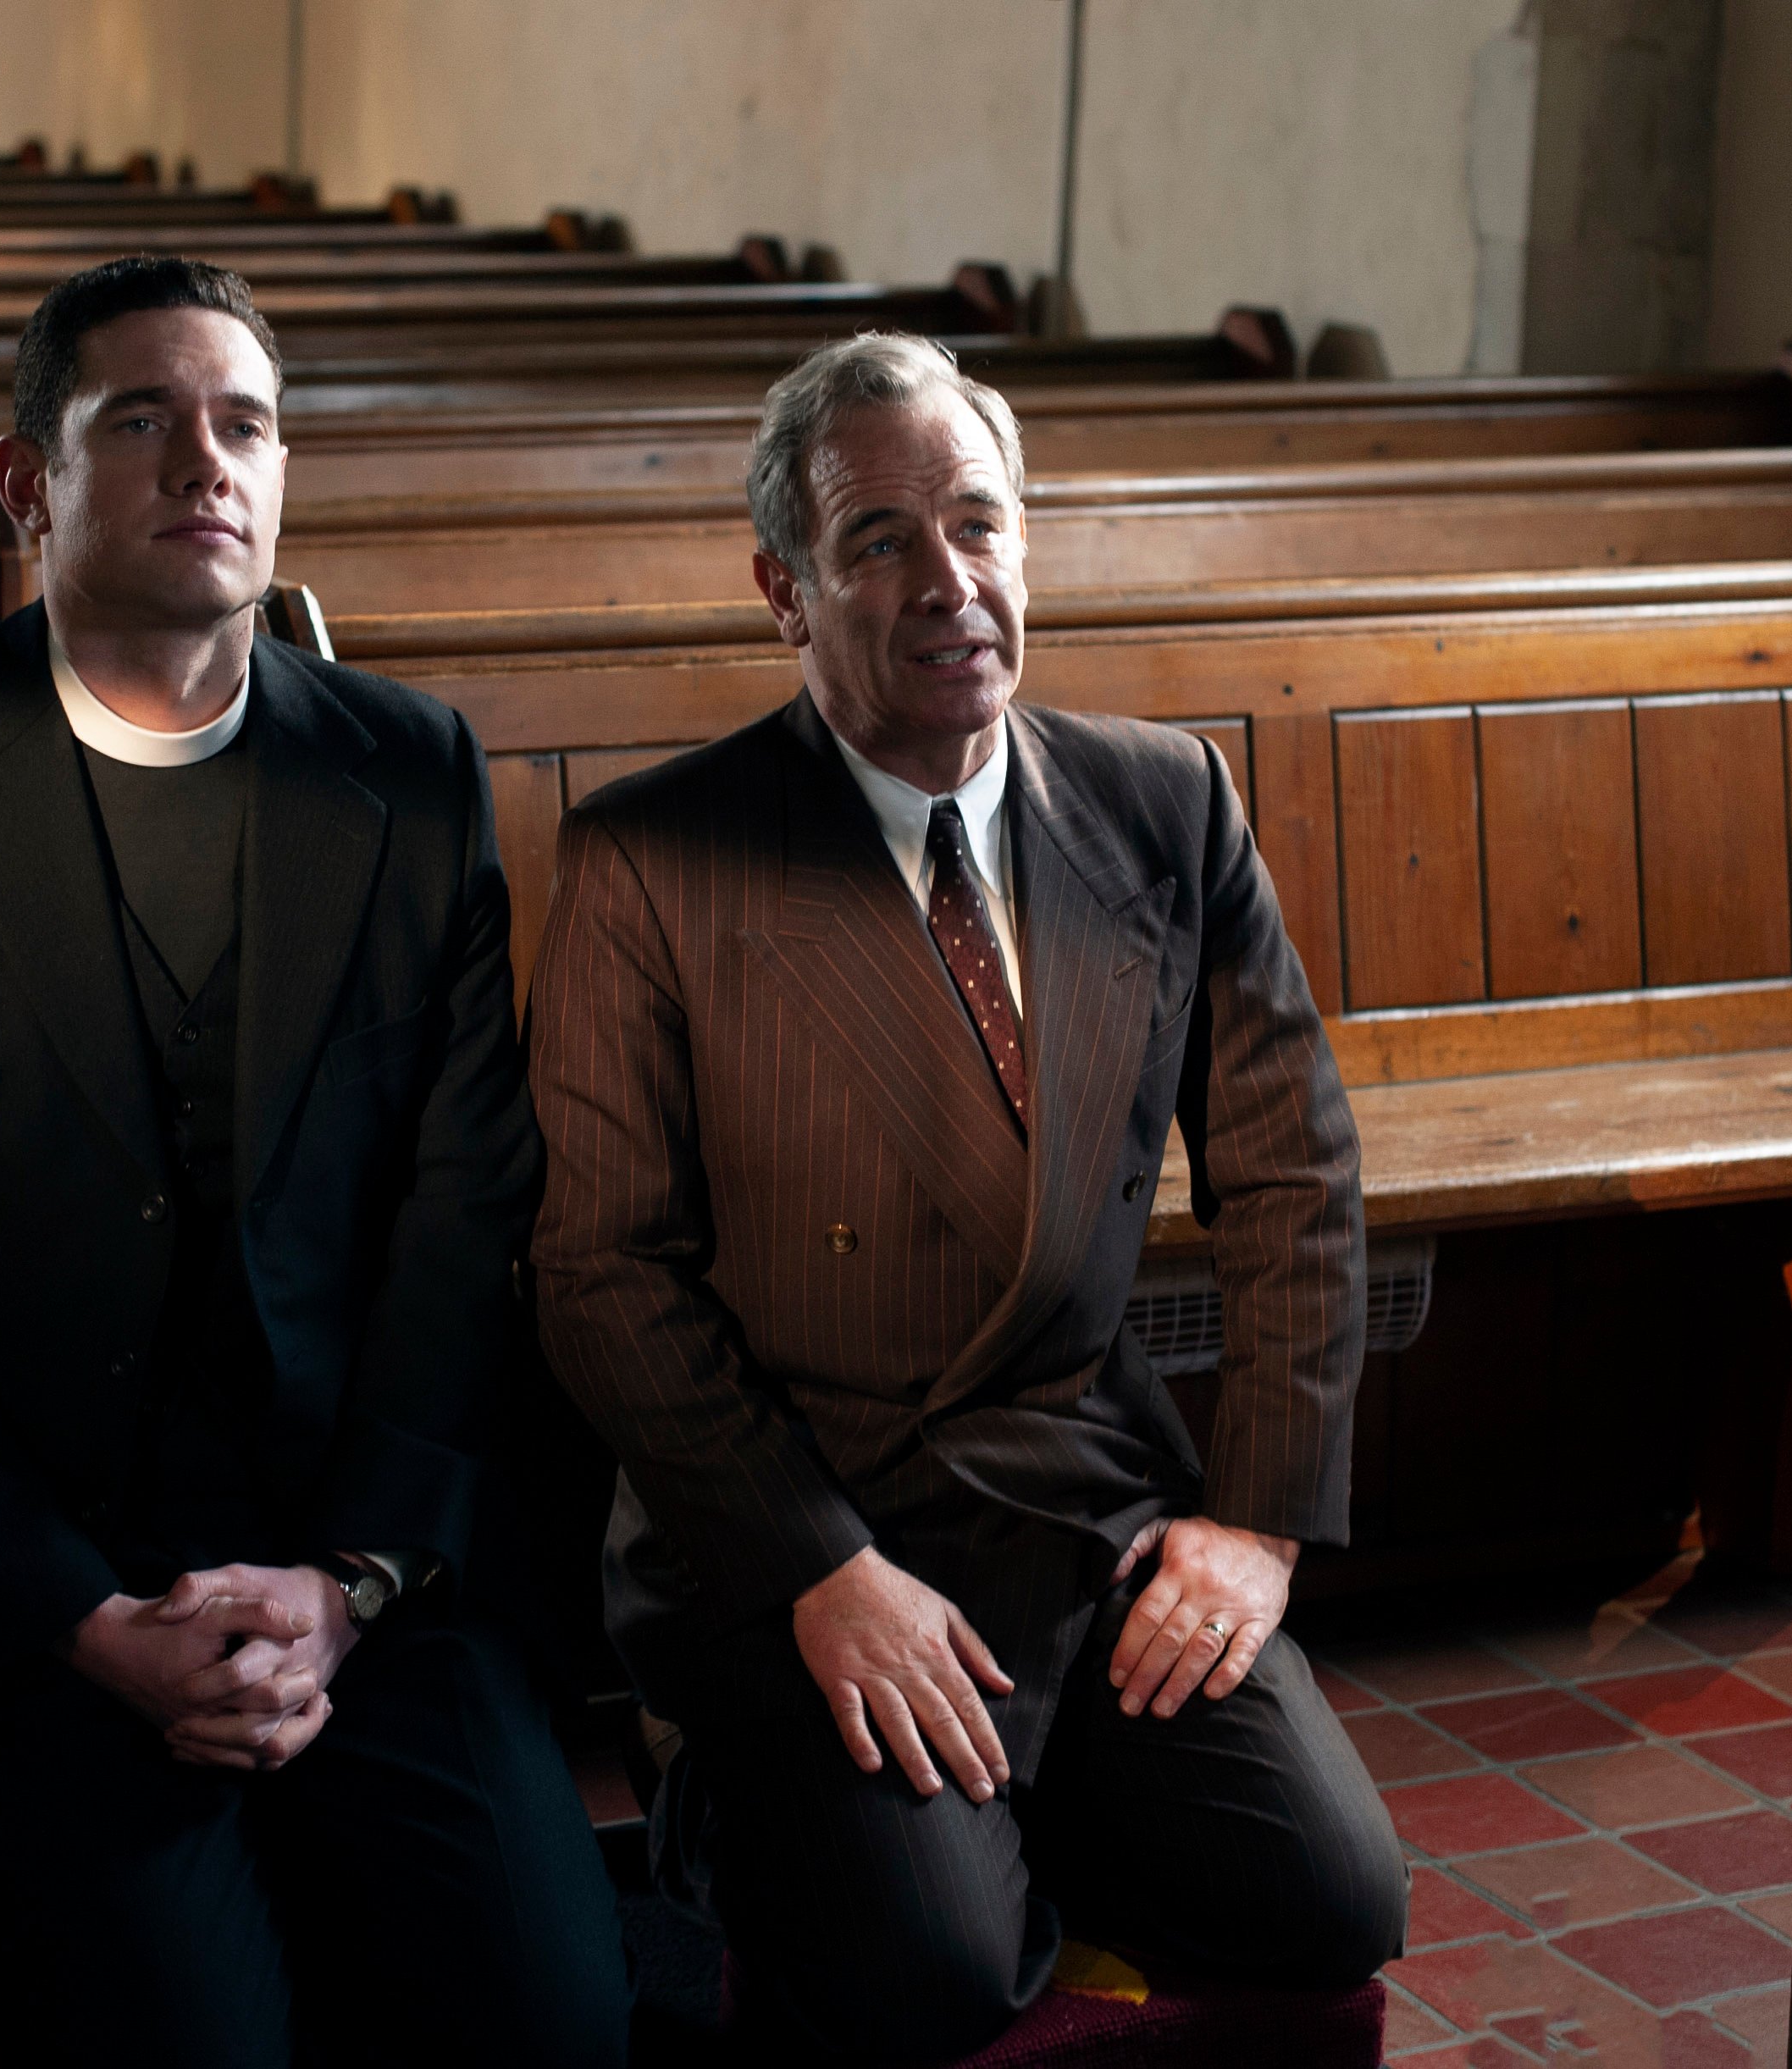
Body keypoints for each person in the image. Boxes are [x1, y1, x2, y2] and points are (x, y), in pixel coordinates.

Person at [0, 256, 628, 2069]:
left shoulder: (408, 770)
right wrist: (79, 1617)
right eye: (137, 420)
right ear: (27, 482)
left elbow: (462, 1222)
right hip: (31, 1578)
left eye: (241, 424)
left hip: (338, 1555)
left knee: (553, 2025)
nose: (201, 460)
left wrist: (349, 1585)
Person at [528, 332, 1407, 2065]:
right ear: (782, 588)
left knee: (1331, 1900)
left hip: (1086, 1499)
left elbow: (1291, 1168)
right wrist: (810, 1566)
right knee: (936, 1975)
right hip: (808, 1516)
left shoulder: (1165, 800)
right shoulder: (660, 854)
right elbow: (598, 1272)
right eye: (879, 544)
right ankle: (719, 1789)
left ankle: (1005, 1788)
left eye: (981, 526)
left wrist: (1254, 1518)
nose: (950, 583)